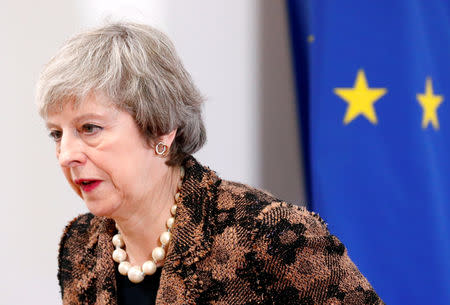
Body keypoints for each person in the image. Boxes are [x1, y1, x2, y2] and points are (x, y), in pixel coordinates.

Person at [36, 22, 383, 305]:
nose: (66, 155)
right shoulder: (80, 245)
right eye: (56, 134)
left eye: (89, 128)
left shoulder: (268, 234)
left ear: (159, 128)